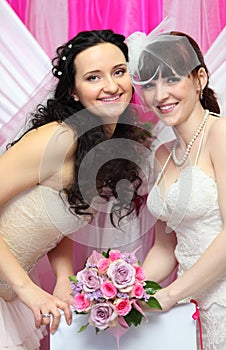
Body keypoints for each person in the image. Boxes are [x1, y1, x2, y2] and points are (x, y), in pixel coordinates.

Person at [0, 29, 150, 349]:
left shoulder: (102, 143)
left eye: (119, 72)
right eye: (94, 77)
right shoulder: (58, 138)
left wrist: (64, 278)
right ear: (73, 91)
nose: (111, 86)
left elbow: (61, 210)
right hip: (15, 287)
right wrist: (26, 288)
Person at [126, 30, 226, 349]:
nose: (160, 95)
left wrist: (172, 293)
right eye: (149, 85)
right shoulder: (162, 155)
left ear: (199, 78)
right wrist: (128, 288)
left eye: (171, 79)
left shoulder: (223, 134)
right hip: (193, 304)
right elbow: (164, 248)